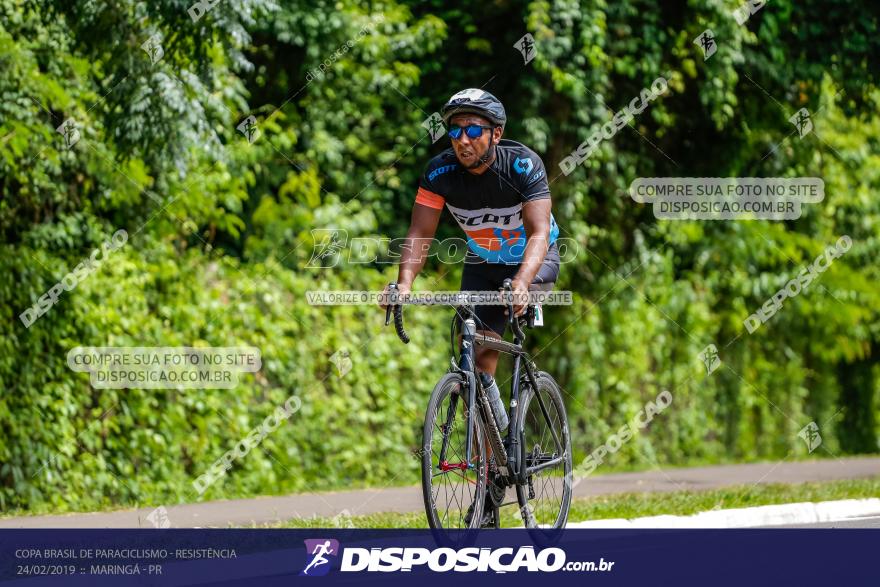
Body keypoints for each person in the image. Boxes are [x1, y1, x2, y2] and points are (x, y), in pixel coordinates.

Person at [381, 88, 561, 526]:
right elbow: (420, 234)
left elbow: (538, 233)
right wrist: (403, 284)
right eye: (455, 130)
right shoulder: (439, 171)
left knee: (500, 333)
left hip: (533, 259)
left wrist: (522, 283)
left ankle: (516, 443)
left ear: (495, 133)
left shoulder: (522, 165)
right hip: (482, 263)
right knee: (476, 361)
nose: (462, 139)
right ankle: (491, 476)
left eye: (473, 130)